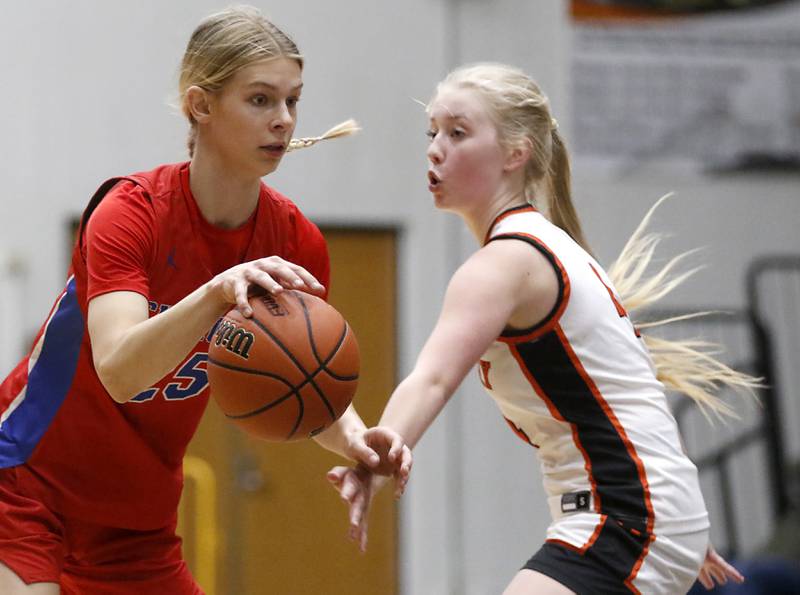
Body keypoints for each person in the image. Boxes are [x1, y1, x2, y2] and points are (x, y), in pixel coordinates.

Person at [0, 6, 406, 594]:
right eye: (261, 99)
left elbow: (305, 377)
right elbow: (119, 370)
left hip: (135, 522)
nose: (284, 120)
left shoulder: (294, 242)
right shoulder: (130, 212)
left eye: (292, 100)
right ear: (201, 104)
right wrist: (217, 292)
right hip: (26, 482)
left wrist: (357, 440)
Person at [327, 63, 758, 594]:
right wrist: (674, 518)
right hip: (640, 512)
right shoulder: (549, 246)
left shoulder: (508, 261)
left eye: (458, 133)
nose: (435, 148)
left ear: (516, 153)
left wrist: (379, 451)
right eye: (432, 132)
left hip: (623, 517)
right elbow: (626, 391)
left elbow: (434, 378)